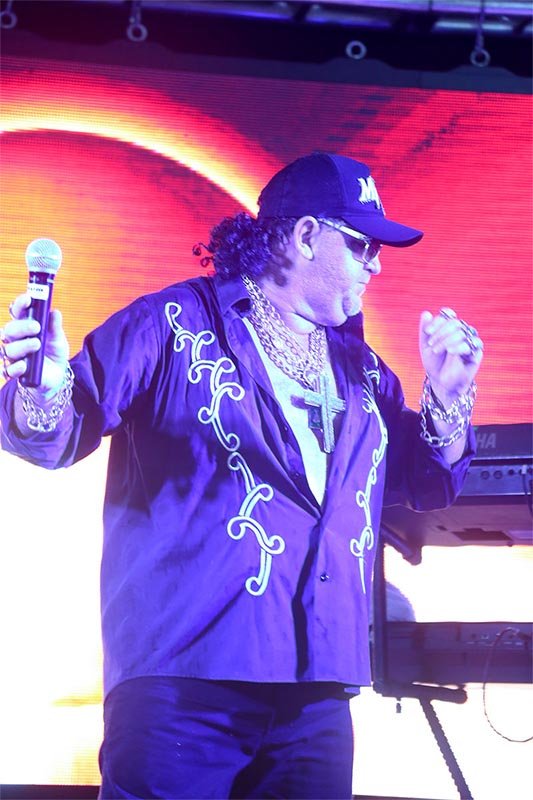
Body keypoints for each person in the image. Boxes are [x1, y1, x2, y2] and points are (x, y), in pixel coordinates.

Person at [0, 152, 483, 799]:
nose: (375, 264)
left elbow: (426, 482)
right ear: (305, 235)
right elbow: (62, 431)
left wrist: (448, 396)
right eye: (361, 245)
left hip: (316, 687)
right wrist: (43, 386)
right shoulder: (173, 324)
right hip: (185, 677)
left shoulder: (362, 372)